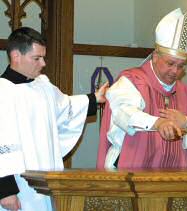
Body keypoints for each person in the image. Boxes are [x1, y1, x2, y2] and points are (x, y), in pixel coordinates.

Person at [0, 27, 108, 211]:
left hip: (47, 182)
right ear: (16, 56)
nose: (43, 63)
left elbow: (66, 106)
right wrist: (5, 190)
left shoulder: (43, 85)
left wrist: (94, 99)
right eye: (37, 58)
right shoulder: (3, 91)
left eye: (43, 57)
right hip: (18, 188)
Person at [96, 8, 187, 169]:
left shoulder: (184, 92)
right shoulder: (132, 81)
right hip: (131, 174)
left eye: (181, 66)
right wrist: (159, 123)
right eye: (170, 64)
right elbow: (123, 113)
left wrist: (186, 122)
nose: (175, 71)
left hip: (172, 177)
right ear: (155, 57)